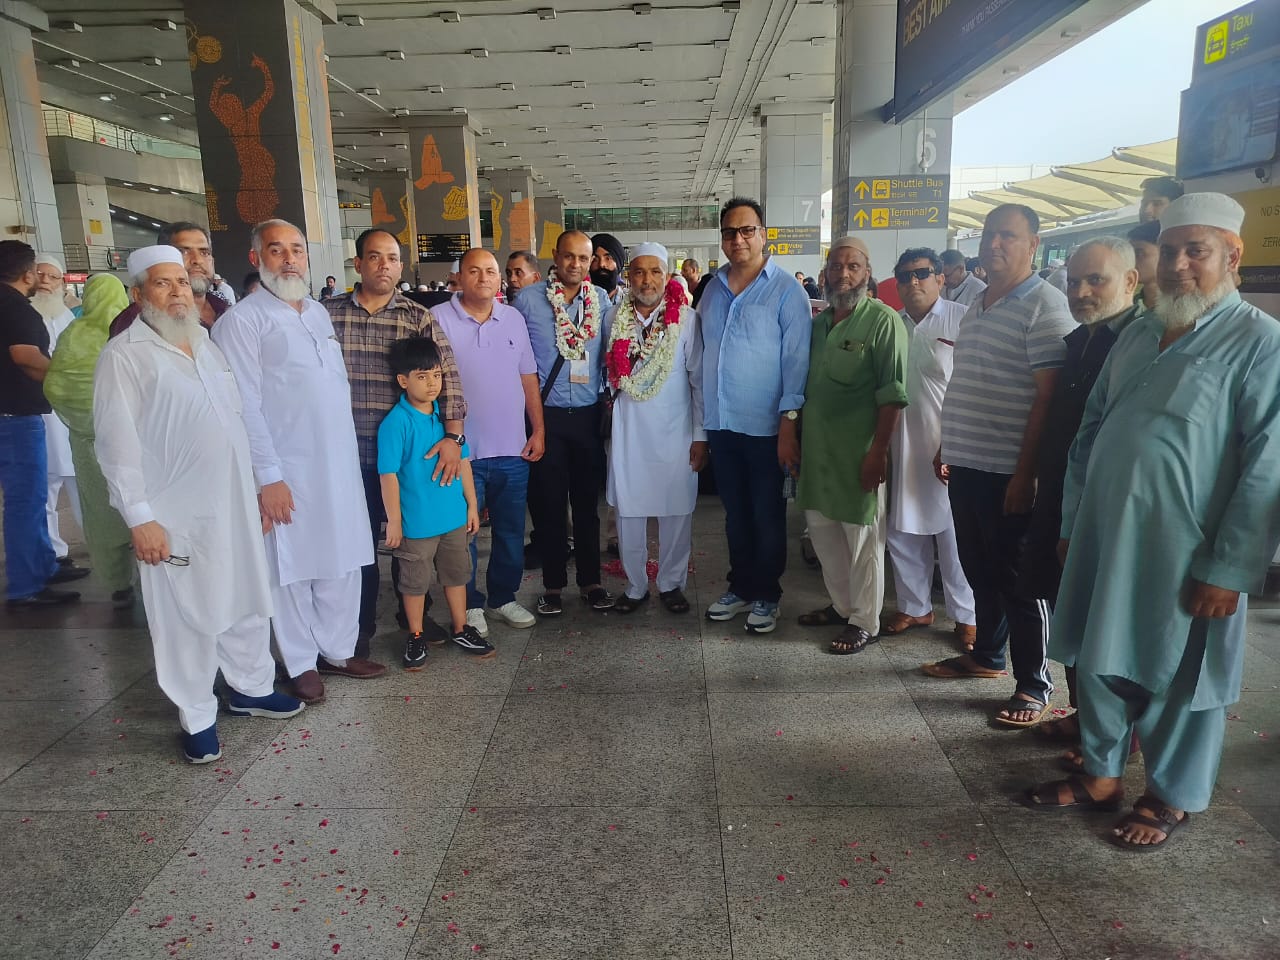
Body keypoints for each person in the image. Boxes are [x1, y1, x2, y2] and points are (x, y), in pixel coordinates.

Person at [1021, 193, 1280, 850]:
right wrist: (1073, 520)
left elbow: (1268, 465)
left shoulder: (1259, 341)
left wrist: (1230, 568)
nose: (1180, 264)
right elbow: (1090, 431)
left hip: (1187, 548)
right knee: (1098, 657)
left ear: (1232, 255)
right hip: (1106, 536)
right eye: (1170, 251)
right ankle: (1101, 774)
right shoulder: (1138, 332)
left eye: (1197, 251)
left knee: (1179, 672)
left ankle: (1170, 796)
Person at [94, 245, 304, 764]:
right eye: (162, 283)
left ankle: (251, 687)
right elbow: (116, 446)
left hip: (232, 503)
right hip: (173, 515)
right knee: (184, 615)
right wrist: (139, 518)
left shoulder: (206, 343)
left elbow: (236, 423)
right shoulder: (124, 355)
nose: (177, 293)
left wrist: (256, 489)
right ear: (139, 294)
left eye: (182, 283)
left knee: (245, 595)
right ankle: (197, 715)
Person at [214, 219, 386, 704]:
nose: (289, 259)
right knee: (290, 566)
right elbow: (243, 405)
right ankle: (300, 661)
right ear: (256, 258)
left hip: (338, 461)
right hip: (286, 467)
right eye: (277, 250)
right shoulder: (242, 321)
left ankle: (338, 650)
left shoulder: (316, 313)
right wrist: (267, 477)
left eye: (297, 249)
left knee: (342, 558)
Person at [922, 204, 1077, 728]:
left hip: (1009, 471)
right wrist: (948, 443)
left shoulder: (1045, 306)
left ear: (1033, 244)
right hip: (968, 462)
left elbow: (1047, 400)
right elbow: (967, 381)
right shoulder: (979, 304)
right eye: (990, 235)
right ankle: (987, 655)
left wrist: (1025, 474)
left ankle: (1035, 684)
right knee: (978, 568)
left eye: (1008, 236)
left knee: (1019, 580)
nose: (994, 244)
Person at [1017, 237, 1140, 762]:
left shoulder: (1138, 343)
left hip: (1105, 504)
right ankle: (1085, 715)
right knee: (1068, 609)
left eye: (1096, 280)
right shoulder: (1082, 340)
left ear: (1130, 282)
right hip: (1062, 496)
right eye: (1074, 282)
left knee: (1101, 620)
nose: (1082, 292)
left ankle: (1115, 735)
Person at [326, 228, 466, 648]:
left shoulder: (416, 316)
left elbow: (447, 375)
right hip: (344, 454)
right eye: (374, 257)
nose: (383, 265)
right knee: (356, 546)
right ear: (358, 264)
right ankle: (358, 629)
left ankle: (413, 621)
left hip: (406, 460)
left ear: (401, 266)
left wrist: (453, 439)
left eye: (391, 258)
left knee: (409, 542)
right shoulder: (327, 315)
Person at [697, 197, 812, 633]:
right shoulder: (712, 289)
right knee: (735, 514)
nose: (738, 239)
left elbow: (796, 363)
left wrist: (789, 424)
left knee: (767, 514)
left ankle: (768, 594)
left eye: (747, 230)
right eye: (730, 232)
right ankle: (741, 586)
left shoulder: (786, 290)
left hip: (767, 427)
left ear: (763, 235)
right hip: (722, 423)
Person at [794, 237, 907, 652]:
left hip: (859, 453)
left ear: (867, 273)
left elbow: (893, 395)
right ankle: (842, 606)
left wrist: (878, 453)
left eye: (853, 266)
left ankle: (865, 621)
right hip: (818, 453)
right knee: (824, 536)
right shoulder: (818, 325)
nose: (843, 274)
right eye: (836, 267)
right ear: (824, 274)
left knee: (863, 541)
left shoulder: (883, 321)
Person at [435, 248, 543, 635]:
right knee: (462, 535)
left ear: (499, 279)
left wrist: (538, 430)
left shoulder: (513, 318)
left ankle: (502, 598)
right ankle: (469, 604)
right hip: (461, 452)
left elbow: (528, 377)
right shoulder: (438, 319)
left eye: (491, 271)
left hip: (512, 449)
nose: (484, 278)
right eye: (474, 271)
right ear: (459, 277)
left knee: (511, 531)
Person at [512, 229, 615, 615]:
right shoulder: (528, 300)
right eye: (569, 256)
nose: (576, 264)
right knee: (549, 505)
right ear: (555, 256)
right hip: (546, 418)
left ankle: (591, 582)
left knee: (588, 505)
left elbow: (611, 350)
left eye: (583, 258)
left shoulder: (600, 299)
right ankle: (553, 585)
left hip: (588, 417)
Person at [881, 248, 976, 651]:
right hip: (901, 443)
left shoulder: (963, 319)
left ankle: (967, 616)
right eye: (904, 276)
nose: (912, 282)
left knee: (954, 536)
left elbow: (973, 386)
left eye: (921, 273)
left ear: (940, 277)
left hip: (949, 444)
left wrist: (955, 442)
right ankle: (915, 607)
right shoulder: (893, 324)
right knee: (902, 529)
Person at [605, 242, 706, 614]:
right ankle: (635, 586)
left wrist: (701, 437)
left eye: (655, 272)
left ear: (667, 276)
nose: (646, 280)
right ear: (629, 277)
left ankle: (671, 584)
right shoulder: (613, 318)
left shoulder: (687, 320)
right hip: (628, 432)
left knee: (676, 510)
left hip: (676, 432)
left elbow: (698, 382)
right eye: (639, 272)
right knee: (629, 511)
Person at [379, 337, 492, 665]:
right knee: (414, 583)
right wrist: (395, 521)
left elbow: (464, 462)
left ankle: (460, 627)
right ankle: (415, 635)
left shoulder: (446, 419)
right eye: (422, 376)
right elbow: (388, 475)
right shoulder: (396, 423)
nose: (432, 383)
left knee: (457, 575)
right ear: (403, 381)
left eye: (437, 375)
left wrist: (472, 504)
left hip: (453, 517)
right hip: (416, 522)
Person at [44, 274, 138, 608]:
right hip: (133, 439)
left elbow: (55, 385)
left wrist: (84, 420)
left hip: (87, 442)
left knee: (101, 510)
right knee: (139, 502)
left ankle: (118, 584)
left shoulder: (73, 333)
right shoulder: (131, 331)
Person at [0, 241, 81, 606]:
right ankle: (26, 586)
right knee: (26, 502)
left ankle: (44, 565)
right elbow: (25, 355)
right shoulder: (16, 307)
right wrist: (65, 378)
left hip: (11, 415)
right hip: (16, 418)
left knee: (30, 500)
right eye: (38, 272)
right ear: (27, 273)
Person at [31, 254, 85, 572]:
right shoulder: (23, 316)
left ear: (62, 283)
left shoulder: (69, 318)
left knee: (80, 478)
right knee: (47, 483)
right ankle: (54, 552)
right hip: (39, 410)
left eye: (53, 277)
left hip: (71, 412)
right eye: (41, 275)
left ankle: (99, 542)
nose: (46, 282)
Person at [110, 223, 229, 336]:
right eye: (183, 251)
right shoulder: (135, 319)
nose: (197, 260)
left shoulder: (224, 307)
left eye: (204, 253)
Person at [1127, 220, 1159, 312]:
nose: (1130, 261)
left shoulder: (1184, 308)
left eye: (1139, 253)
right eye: (1129, 254)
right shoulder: (1126, 307)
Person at [590, 233, 626, 307]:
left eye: (608, 258)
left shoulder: (632, 303)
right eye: (595, 259)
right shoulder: (578, 302)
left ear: (618, 263)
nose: (601, 264)